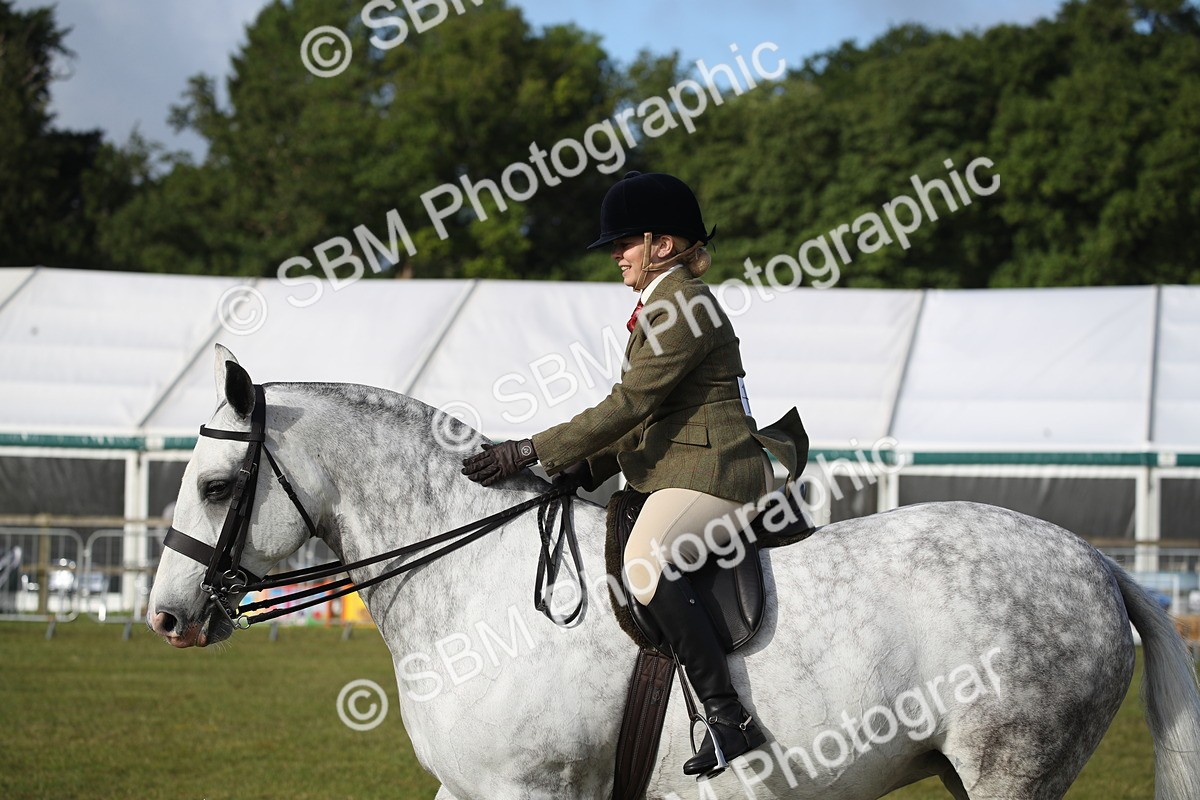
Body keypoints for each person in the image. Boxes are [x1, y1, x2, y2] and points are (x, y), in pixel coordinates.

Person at [462, 171, 807, 778]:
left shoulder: (685, 306)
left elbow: (629, 405)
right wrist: (578, 467)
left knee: (645, 564)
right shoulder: (663, 303)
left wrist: (530, 450)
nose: (616, 256)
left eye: (625, 244)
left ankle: (729, 718)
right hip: (681, 460)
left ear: (664, 246)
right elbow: (639, 422)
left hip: (718, 467)